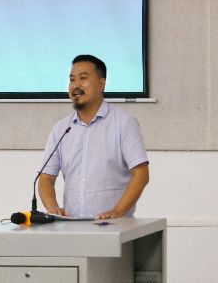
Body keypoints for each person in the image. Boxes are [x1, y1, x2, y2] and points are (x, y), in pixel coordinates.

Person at [37, 55, 149, 219]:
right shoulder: (61, 129)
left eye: (83, 78)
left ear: (101, 84)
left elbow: (141, 174)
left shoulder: (123, 123)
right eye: (72, 80)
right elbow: (46, 178)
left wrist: (118, 212)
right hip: (72, 226)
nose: (76, 85)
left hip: (114, 226)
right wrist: (52, 207)